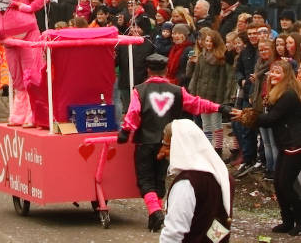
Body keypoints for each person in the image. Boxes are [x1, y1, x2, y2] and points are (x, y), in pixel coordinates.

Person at [117, 53, 231, 232]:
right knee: (160, 177)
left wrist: (125, 131)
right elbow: (197, 104)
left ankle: (155, 211)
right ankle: (155, 213)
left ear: (148, 70)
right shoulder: (177, 91)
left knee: (145, 179)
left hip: (145, 141)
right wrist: (219, 107)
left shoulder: (139, 90)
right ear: (166, 70)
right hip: (168, 143)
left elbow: (133, 113)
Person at [233, 59, 301, 234]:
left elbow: (271, 119)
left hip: (295, 144)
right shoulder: (277, 91)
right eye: (272, 72)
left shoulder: (289, 94)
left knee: (286, 185)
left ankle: (299, 221)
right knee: (279, 184)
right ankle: (287, 221)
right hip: (285, 144)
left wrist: (246, 116)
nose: (273, 75)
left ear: (287, 75)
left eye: (278, 72)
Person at [158, 119, 233, 243]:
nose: (162, 153)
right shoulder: (223, 176)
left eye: (167, 146)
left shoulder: (186, 184)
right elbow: (221, 220)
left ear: (181, 146)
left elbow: (173, 233)